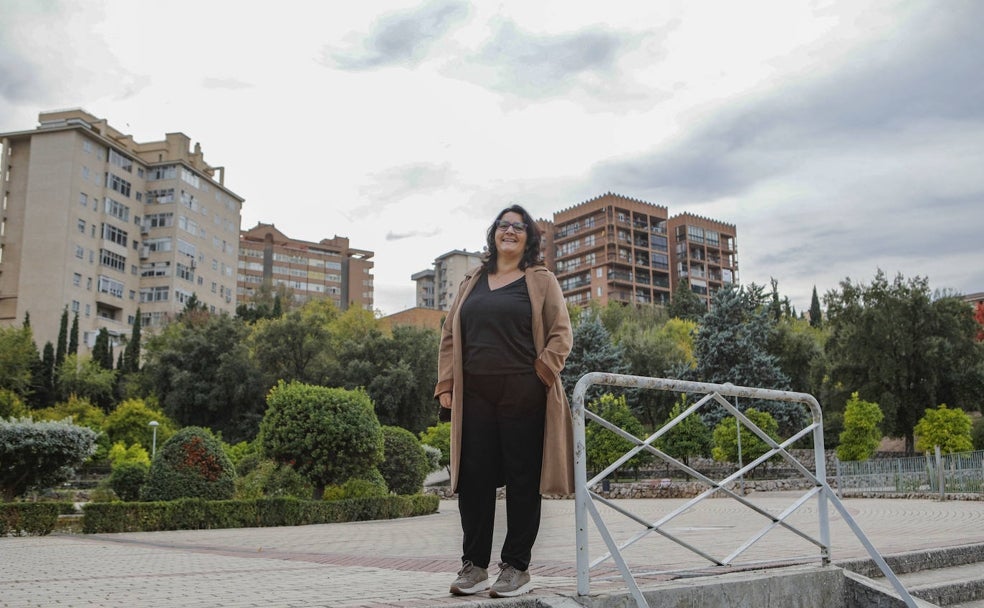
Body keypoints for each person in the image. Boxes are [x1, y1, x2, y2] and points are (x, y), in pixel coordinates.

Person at [434, 204, 575, 598]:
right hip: (474, 393)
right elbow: (449, 334)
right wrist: (446, 382)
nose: (509, 230)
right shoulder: (472, 280)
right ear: (493, 233)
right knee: (474, 480)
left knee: (521, 481)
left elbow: (561, 334)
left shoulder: (541, 280)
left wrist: (541, 374)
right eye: (503, 225)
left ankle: (516, 567)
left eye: (518, 226)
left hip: (523, 392)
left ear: (528, 237)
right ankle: (474, 566)